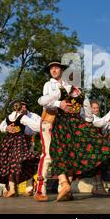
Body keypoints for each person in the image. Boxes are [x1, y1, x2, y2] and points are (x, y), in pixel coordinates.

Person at [49, 86, 110, 201]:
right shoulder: (83, 97)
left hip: (62, 125)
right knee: (73, 157)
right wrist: (83, 125)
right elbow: (89, 118)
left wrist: (58, 104)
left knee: (58, 153)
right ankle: (67, 188)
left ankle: (64, 184)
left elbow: (44, 102)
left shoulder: (59, 91)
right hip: (77, 127)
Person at [34, 61, 72, 202]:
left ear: (62, 70)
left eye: (57, 67)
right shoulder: (48, 84)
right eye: (51, 68)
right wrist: (58, 103)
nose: (54, 70)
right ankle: (40, 189)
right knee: (48, 154)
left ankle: (63, 189)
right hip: (49, 121)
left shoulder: (68, 86)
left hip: (64, 123)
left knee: (65, 155)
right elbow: (43, 101)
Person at [0, 101, 41, 198]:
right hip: (20, 142)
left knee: (11, 164)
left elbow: (1, 126)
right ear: (20, 107)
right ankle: (12, 188)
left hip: (9, 142)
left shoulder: (8, 117)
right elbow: (37, 126)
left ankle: (14, 188)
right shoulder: (22, 117)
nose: (24, 107)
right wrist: (45, 126)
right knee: (19, 163)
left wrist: (6, 128)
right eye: (22, 105)